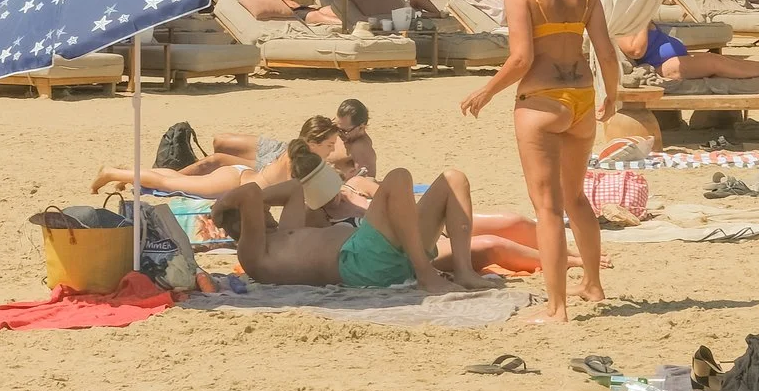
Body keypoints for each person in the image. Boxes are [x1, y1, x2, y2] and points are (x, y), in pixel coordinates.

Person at [459, 0, 619, 323]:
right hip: (582, 97)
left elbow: (521, 58)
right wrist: (613, 95)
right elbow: (605, 51)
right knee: (576, 198)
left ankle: (557, 307)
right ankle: (593, 284)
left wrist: (486, 91)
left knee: (547, 208)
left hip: (542, 100)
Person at [212, 166, 494, 296]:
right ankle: (425, 274)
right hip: (360, 262)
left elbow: (294, 189)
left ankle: (464, 271)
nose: (266, 210)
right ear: (244, 223)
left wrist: (254, 202)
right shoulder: (252, 252)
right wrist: (223, 203)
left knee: (453, 179)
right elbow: (250, 193)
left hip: (382, 255)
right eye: (261, 212)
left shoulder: (284, 234)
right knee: (398, 178)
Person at [94, 116, 345, 197]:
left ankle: (128, 172)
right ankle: (112, 173)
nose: (332, 150)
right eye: (329, 145)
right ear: (313, 143)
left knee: (173, 179)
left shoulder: (297, 153)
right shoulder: (298, 161)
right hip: (233, 183)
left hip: (240, 178)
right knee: (169, 184)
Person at [615, 22, 759, 83]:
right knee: (713, 62)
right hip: (660, 67)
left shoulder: (635, 18)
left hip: (673, 60)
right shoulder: (620, 23)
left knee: (724, 60)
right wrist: (643, 23)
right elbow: (635, 51)